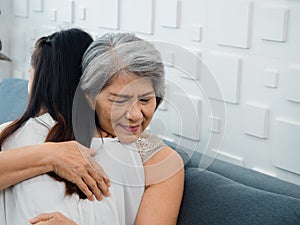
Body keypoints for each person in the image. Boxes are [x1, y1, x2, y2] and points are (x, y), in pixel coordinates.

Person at [1, 32, 184, 225]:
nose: (135, 115)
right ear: (89, 97)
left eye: (146, 99)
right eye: (119, 100)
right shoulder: (30, 134)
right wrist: (50, 156)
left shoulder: (162, 164)